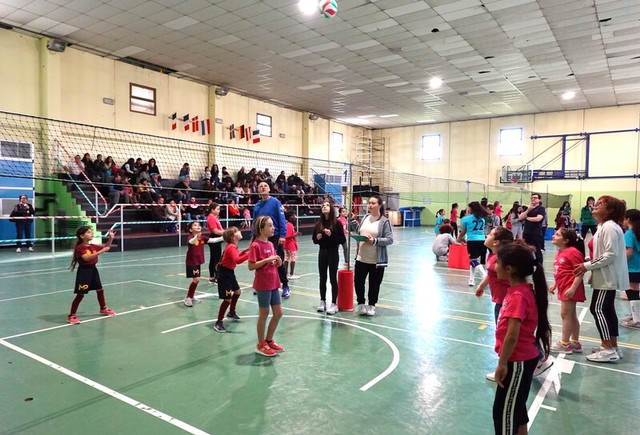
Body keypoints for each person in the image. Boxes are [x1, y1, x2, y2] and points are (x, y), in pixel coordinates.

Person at [492, 243, 551, 435]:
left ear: (509, 268)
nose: (494, 266)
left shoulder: (519, 295)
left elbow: (512, 335)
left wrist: (502, 364)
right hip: (521, 360)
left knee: (504, 414)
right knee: (516, 409)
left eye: (497, 262)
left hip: (517, 361)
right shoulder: (519, 290)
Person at [574, 195, 628, 362]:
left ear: (609, 210)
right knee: (607, 310)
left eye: (601, 204)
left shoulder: (609, 227)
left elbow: (610, 254)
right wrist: (588, 261)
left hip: (607, 277)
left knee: (598, 309)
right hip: (604, 275)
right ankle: (613, 346)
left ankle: (607, 348)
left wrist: (587, 266)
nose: (596, 205)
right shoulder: (603, 226)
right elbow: (602, 253)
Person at [248, 216, 285, 357]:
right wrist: (267, 260)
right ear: (261, 229)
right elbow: (251, 266)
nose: (273, 228)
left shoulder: (270, 244)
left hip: (273, 281)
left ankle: (268, 340)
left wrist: (277, 262)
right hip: (263, 284)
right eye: (270, 225)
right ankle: (260, 344)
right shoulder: (255, 245)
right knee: (264, 314)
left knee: (278, 313)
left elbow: (272, 263)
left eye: (272, 225)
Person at [548, 228, 586, 355]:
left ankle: (564, 344)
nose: (553, 236)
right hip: (564, 287)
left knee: (565, 314)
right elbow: (561, 271)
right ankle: (575, 342)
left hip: (570, 288)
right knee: (571, 315)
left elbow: (580, 272)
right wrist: (555, 284)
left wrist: (573, 288)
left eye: (557, 234)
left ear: (565, 240)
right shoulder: (561, 251)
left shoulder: (573, 252)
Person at [67, 227, 117, 324]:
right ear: (82, 236)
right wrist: (101, 251)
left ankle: (103, 308)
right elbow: (86, 258)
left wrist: (110, 238)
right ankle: (72, 315)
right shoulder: (80, 248)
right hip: (84, 272)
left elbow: (106, 247)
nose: (91, 234)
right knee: (80, 294)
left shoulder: (93, 246)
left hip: (93, 270)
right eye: (89, 232)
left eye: (92, 232)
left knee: (100, 290)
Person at [354, 195, 393, 316]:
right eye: (369, 203)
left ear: (379, 205)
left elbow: (389, 239)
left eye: (373, 203)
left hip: (376, 260)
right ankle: (361, 304)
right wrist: (353, 222)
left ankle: (372, 305)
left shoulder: (384, 221)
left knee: (374, 284)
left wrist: (374, 241)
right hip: (361, 258)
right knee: (358, 282)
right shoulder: (365, 217)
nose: (370, 205)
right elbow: (359, 231)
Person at [253, 181, 290, 298]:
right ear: (258, 190)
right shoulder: (257, 206)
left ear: (269, 189)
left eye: (265, 186)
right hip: (261, 238)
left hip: (275, 237)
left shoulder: (275, 202)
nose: (263, 187)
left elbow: (281, 219)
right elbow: (254, 223)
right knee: (261, 262)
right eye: (260, 186)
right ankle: (261, 285)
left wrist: (282, 235)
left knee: (277, 261)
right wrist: (253, 238)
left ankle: (285, 285)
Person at [213, 227, 250, 333]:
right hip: (224, 274)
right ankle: (218, 322)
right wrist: (250, 254)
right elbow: (237, 260)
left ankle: (231, 312)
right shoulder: (231, 247)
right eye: (237, 231)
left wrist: (245, 251)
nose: (240, 232)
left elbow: (235, 257)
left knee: (237, 292)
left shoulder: (233, 246)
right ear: (233, 237)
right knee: (227, 299)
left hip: (229, 272)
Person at [313, 201, 346, 314]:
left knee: (332, 278)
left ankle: (333, 303)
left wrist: (332, 235)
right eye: (323, 206)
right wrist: (317, 238)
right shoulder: (318, 224)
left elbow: (342, 240)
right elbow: (314, 240)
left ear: (331, 208)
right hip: (322, 252)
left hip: (333, 252)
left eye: (327, 205)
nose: (324, 207)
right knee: (322, 278)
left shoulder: (337, 223)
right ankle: (322, 301)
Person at [183, 221, 223, 307]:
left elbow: (213, 240)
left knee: (196, 280)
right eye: (195, 225)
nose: (198, 226)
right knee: (196, 279)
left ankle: (191, 296)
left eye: (199, 225)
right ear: (190, 230)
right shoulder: (190, 237)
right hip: (192, 261)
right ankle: (188, 298)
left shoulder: (202, 237)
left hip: (198, 261)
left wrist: (224, 237)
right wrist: (196, 237)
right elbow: (191, 242)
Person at [457, 201, 489, 287]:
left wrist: (459, 238)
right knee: (474, 260)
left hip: (472, 241)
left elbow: (463, 232)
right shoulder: (482, 219)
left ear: (471, 209)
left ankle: (485, 276)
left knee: (473, 260)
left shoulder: (466, 219)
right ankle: (471, 280)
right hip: (482, 241)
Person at [621, 209, 640, 329]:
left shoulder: (629, 233)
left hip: (632, 268)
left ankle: (637, 319)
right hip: (638, 267)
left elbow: (629, 252)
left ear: (628, 219)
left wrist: (620, 262)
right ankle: (635, 315)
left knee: (632, 291)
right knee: (635, 290)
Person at [518, 193, 545, 264]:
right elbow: (520, 217)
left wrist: (527, 218)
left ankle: (539, 265)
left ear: (539, 200)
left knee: (537, 250)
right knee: (526, 249)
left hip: (535, 233)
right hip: (526, 232)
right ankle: (527, 264)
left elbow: (538, 219)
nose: (533, 199)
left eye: (535, 198)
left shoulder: (541, 209)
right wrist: (528, 210)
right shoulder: (528, 208)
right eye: (532, 198)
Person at [206, 203, 224, 283]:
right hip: (214, 238)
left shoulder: (215, 218)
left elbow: (220, 229)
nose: (219, 211)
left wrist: (224, 232)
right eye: (217, 209)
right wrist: (226, 233)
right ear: (212, 210)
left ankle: (212, 276)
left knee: (213, 258)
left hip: (217, 238)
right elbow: (215, 231)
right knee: (217, 259)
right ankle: (217, 277)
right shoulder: (211, 218)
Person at [284, 211, 301, 280]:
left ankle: (285, 274)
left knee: (287, 258)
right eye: (294, 216)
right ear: (290, 217)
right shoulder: (289, 225)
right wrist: (295, 234)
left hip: (287, 245)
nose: (295, 217)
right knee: (293, 258)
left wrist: (294, 233)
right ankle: (291, 274)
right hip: (290, 245)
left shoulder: (288, 224)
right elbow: (287, 236)